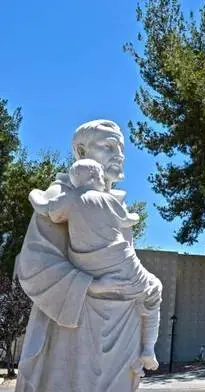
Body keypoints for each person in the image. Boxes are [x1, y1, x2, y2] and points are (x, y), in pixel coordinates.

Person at [15, 120, 162, 392]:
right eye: (108, 147)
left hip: (124, 321)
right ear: (81, 152)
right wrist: (91, 286)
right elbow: (34, 265)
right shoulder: (61, 196)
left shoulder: (114, 205)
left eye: (121, 148)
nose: (119, 155)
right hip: (75, 327)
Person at [29, 158, 160, 371]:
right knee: (154, 290)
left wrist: (33, 193)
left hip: (89, 265)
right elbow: (128, 220)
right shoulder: (107, 200)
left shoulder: (69, 200)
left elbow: (44, 207)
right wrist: (133, 216)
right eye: (100, 176)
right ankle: (148, 349)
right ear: (93, 177)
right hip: (121, 262)